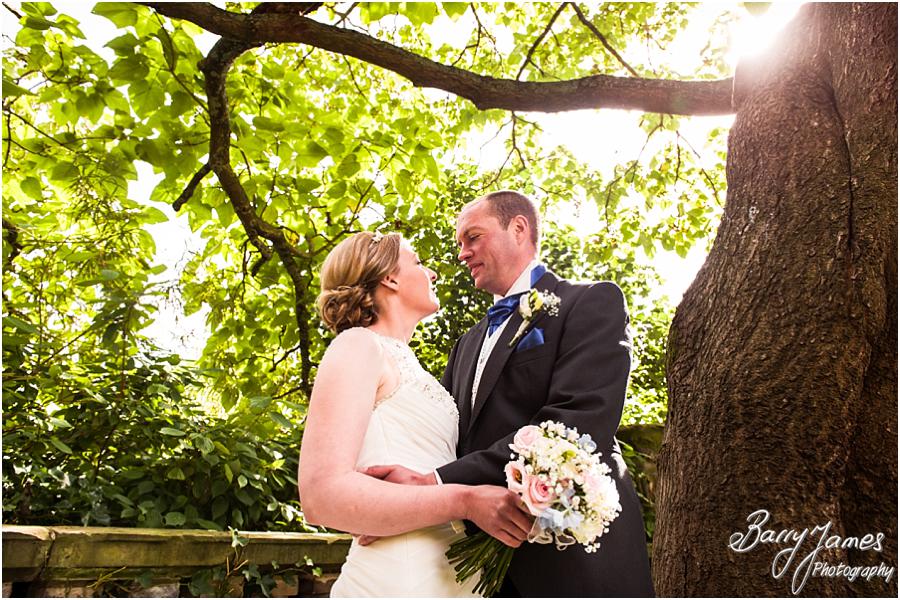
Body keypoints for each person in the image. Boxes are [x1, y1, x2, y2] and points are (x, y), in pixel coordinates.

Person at [363, 191, 655, 597]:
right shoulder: (467, 343)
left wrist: (435, 482)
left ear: (518, 228)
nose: (463, 253)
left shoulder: (589, 302)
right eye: (460, 244)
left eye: (473, 237)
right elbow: (446, 438)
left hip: (573, 560)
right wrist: (394, 507)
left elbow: (577, 423)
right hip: (480, 571)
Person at [297, 231, 534, 597]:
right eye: (419, 263)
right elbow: (321, 495)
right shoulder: (357, 346)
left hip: (450, 571)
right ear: (389, 277)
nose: (433, 274)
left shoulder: (413, 366)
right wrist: (465, 501)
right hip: (398, 575)